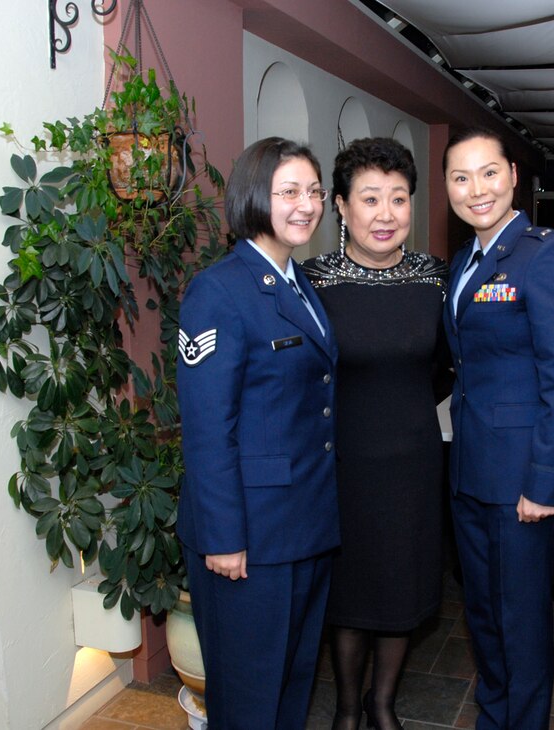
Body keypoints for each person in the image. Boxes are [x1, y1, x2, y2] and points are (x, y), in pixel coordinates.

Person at [176, 137, 340, 728]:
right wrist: (223, 538)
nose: (307, 205)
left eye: (314, 192)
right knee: (248, 699)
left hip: (304, 526)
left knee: (292, 686)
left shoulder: (297, 282)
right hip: (246, 539)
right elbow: (206, 428)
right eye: (288, 191)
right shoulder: (219, 290)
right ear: (254, 196)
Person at [441, 127, 554, 728]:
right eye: (460, 177)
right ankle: (493, 716)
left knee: (521, 621)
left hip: (523, 479)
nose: (476, 189)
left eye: (488, 173)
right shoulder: (464, 261)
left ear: (513, 178)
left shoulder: (544, 254)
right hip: (472, 469)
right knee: (483, 613)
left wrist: (544, 483)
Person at [301, 137, 450, 730]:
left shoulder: (436, 281)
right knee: (351, 594)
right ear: (340, 206)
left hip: (414, 462)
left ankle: (381, 704)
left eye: (398, 198)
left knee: (401, 587)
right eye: (370, 199)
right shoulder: (313, 283)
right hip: (343, 465)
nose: (385, 214)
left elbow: (450, 363)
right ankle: (344, 708)